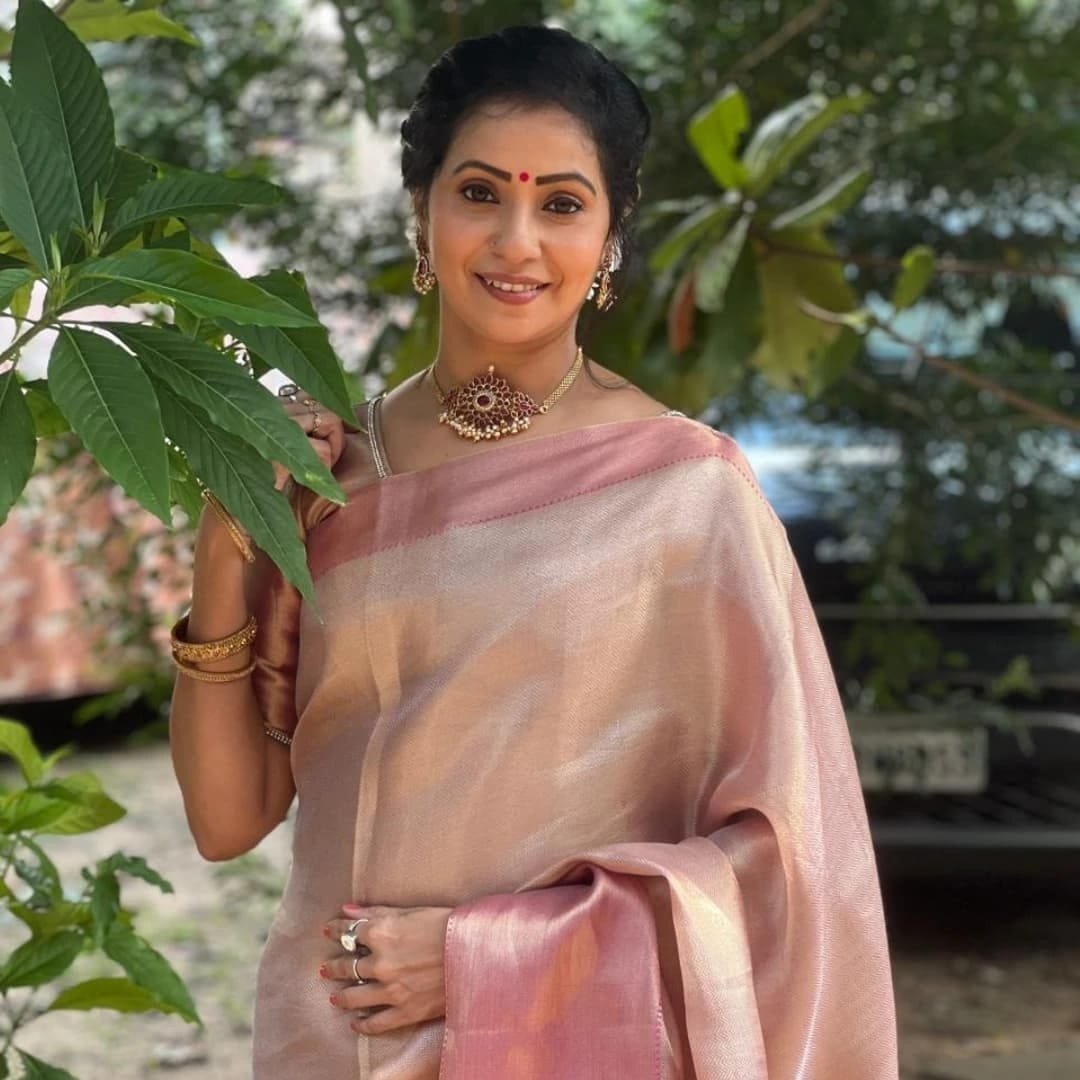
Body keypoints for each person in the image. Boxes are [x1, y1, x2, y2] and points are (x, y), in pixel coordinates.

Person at [168, 24, 899, 1080]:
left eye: (561, 204)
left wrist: (486, 958)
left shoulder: (686, 497)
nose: (517, 241)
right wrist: (225, 538)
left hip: (568, 1043)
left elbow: (791, 861)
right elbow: (227, 819)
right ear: (421, 212)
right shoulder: (328, 475)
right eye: (479, 193)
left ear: (611, 236)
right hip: (328, 1038)